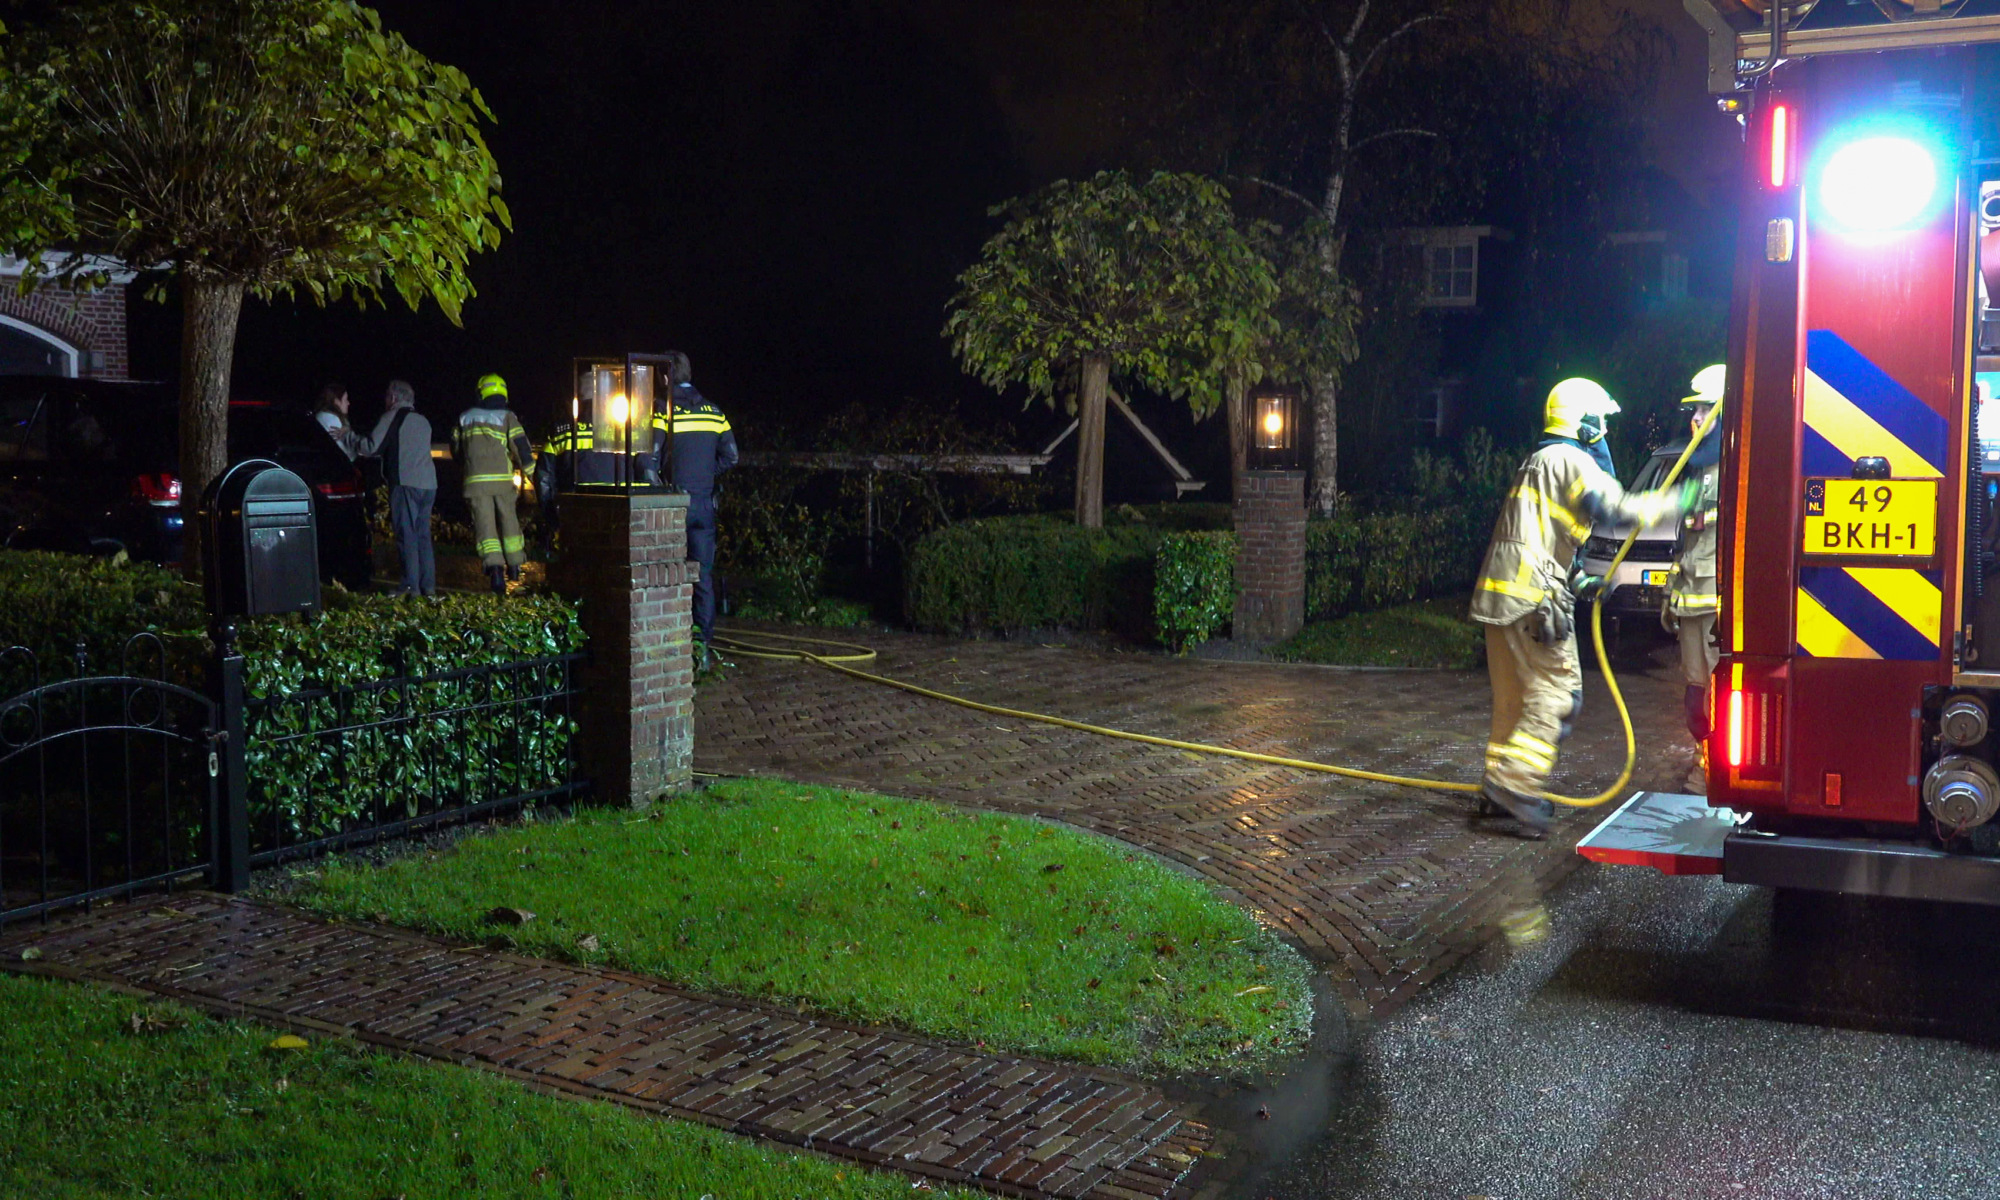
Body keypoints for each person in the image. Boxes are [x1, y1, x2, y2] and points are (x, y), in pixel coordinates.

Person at [1471, 377, 1693, 838]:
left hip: (1501, 597)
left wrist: (1582, 580)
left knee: (1514, 703)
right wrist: (1678, 502)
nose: (1606, 430)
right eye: (1602, 421)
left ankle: (1498, 786)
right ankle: (1516, 784)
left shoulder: (1539, 460)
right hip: (1534, 601)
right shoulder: (1572, 460)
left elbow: (1538, 535)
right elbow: (1616, 509)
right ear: (1584, 422)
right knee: (1557, 695)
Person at [649, 352, 737, 665]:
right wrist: (704, 476)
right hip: (704, 505)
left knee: (666, 573)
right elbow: (732, 457)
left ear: (664, 378)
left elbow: (651, 457)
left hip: (675, 504)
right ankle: (702, 648)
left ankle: (667, 642)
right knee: (703, 577)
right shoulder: (714, 412)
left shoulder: (663, 411)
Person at [1664, 364, 1725, 794]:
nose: (1696, 418)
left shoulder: (1736, 466)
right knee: (1695, 697)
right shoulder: (1698, 467)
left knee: (1718, 696)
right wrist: (1671, 593)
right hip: (1691, 598)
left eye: (1705, 409)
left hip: (1715, 603)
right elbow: (1686, 539)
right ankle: (1704, 765)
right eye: (1695, 410)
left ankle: (1715, 772)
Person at [452, 373, 535, 594]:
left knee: (485, 526)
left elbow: (456, 450)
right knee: (509, 519)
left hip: (475, 482)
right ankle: (515, 565)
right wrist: (535, 478)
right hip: (502, 481)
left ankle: (495, 569)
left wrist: (468, 467)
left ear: (481, 392)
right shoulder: (508, 417)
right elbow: (522, 449)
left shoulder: (465, 418)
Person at [361, 380, 436, 597]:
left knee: (406, 535)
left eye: (387, 397)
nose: (385, 401)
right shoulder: (423, 421)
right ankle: (427, 586)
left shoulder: (392, 416)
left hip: (405, 483)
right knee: (423, 535)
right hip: (429, 484)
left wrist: (349, 438)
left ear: (393, 398)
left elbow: (371, 447)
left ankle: (410, 586)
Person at [312, 383, 364, 460]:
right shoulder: (332, 419)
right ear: (337, 401)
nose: (348, 403)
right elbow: (346, 453)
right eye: (346, 400)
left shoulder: (322, 415)